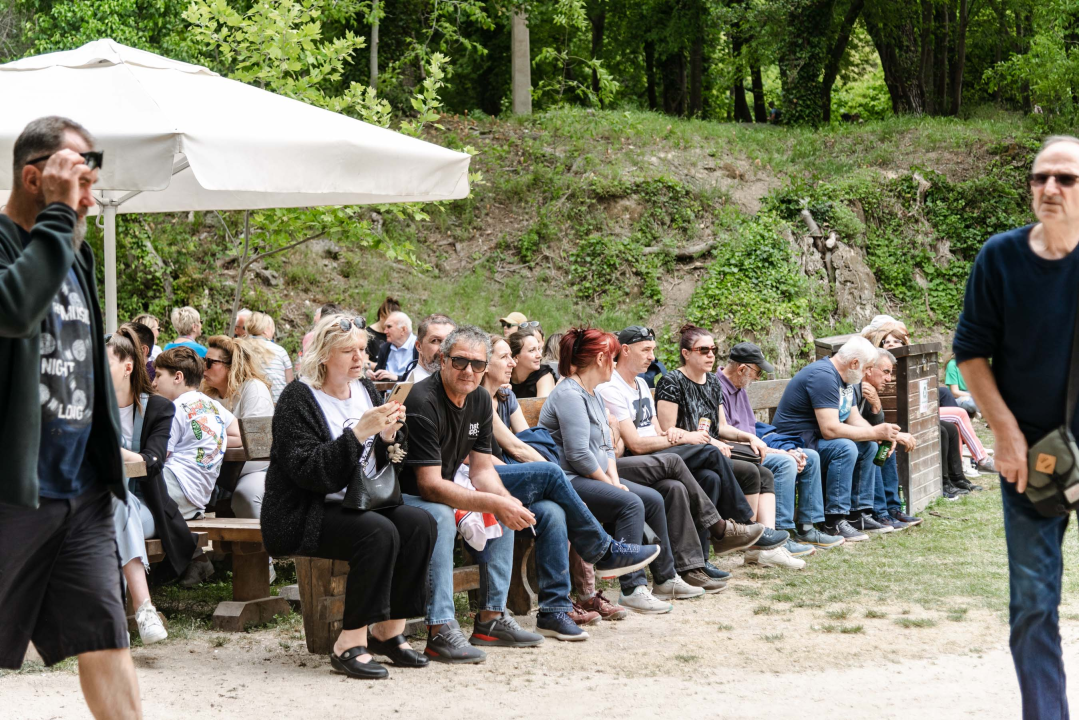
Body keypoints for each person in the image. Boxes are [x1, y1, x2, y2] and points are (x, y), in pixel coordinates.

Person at [0, 116, 141, 718]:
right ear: (35, 178)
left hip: (79, 492)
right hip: (10, 493)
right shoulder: (26, 240)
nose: (88, 199)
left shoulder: (72, 251)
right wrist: (57, 220)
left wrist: (108, 458)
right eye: (76, 183)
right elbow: (12, 309)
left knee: (105, 636)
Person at [402, 325, 660, 648]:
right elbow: (429, 485)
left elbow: (483, 470)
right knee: (533, 484)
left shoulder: (480, 398)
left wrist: (502, 500)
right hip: (413, 495)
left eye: (477, 364)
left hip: (462, 482)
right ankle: (602, 550)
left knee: (546, 510)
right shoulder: (423, 399)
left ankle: (511, 617)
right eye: (459, 362)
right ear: (442, 360)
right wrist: (498, 502)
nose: (469, 371)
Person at [953, 135, 1079, 720]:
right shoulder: (1000, 258)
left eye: (1066, 178)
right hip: (1029, 455)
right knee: (1032, 602)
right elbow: (972, 352)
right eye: (1040, 177)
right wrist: (1004, 433)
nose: (1050, 188)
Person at [261, 314, 434, 679]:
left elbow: (390, 460)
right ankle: (349, 644)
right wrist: (357, 435)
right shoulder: (298, 398)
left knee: (420, 523)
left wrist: (389, 438)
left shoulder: (365, 390)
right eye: (348, 351)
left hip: (360, 500)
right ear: (324, 355)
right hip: (306, 510)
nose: (360, 358)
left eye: (362, 349)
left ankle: (388, 633)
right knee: (378, 533)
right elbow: (308, 472)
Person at [541, 327, 720, 612]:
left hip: (594, 474)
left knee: (654, 498)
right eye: (612, 358)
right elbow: (577, 456)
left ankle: (665, 578)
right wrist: (609, 483)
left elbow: (605, 448)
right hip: (570, 479)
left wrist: (612, 477)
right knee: (631, 502)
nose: (615, 364)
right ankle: (632, 586)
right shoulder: (570, 395)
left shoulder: (593, 395)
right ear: (600, 359)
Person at [598, 327, 785, 571]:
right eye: (646, 350)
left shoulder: (642, 385)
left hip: (659, 452)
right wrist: (681, 438)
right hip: (640, 459)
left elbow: (657, 430)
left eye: (652, 350)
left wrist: (672, 434)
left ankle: (699, 562)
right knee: (710, 452)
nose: (652, 357)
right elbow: (636, 444)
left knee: (710, 477)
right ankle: (742, 524)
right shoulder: (612, 387)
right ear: (624, 350)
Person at [655, 325, 794, 556]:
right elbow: (670, 431)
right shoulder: (672, 382)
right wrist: (710, 442)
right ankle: (746, 529)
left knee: (764, 473)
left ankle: (758, 540)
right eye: (703, 350)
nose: (710, 355)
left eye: (713, 349)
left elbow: (723, 427)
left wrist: (749, 436)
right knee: (750, 472)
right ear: (686, 353)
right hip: (686, 454)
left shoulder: (712, 383)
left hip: (710, 453)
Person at [718, 342, 845, 552]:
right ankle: (780, 533)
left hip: (752, 449)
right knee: (785, 463)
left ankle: (806, 527)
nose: (758, 378)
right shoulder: (717, 388)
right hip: (734, 452)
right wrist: (780, 453)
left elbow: (753, 433)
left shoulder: (739, 387)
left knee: (809, 456)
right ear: (742, 369)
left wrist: (785, 449)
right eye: (757, 372)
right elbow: (729, 436)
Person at [771, 335, 899, 541]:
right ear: (854, 363)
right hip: (795, 440)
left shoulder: (847, 378)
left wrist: (878, 437)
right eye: (867, 368)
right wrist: (875, 432)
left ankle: (858, 514)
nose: (867, 373)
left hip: (815, 438)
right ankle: (834, 520)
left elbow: (853, 417)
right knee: (845, 447)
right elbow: (830, 429)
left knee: (869, 447)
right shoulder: (823, 376)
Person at [106, 329, 172, 645]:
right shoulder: (87, 409)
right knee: (114, 507)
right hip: (91, 507)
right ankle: (141, 610)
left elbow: (152, 462)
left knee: (120, 506)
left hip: (145, 506)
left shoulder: (157, 408)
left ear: (128, 367)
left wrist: (105, 449)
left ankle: (123, 616)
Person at [872, 322, 995, 475]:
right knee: (959, 413)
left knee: (953, 418)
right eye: (887, 342)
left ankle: (961, 469)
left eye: (896, 341)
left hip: (917, 411)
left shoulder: (908, 364)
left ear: (904, 343)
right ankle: (979, 460)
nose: (891, 344)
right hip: (907, 415)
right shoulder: (885, 367)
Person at [153, 347, 240, 523]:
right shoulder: (212, 405)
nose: (154, 383)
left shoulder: (173, 409)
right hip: (198, 496)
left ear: (178, 377)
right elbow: (238, 434)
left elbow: (159, 457)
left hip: (175, 488)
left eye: (158, 375)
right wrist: (213, 441)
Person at [202, 335, 275, 518]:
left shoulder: (254, 389)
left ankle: (262, 545)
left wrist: (213, 441)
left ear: (231, 365)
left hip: (254, 468)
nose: (204, 366)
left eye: (210, 362)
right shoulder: (207, 394)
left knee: (247, 496)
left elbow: (257, 442)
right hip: (215, 469)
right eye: (204, 360)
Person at [857, 348, 921, 529]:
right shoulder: (854, 386)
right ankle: (879, 512)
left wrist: (876, 405)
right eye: (885, 372)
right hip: (837, 441)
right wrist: (894, 435)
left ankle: (892, 508)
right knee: (875, 446)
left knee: (886, 446)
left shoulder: (869, 390)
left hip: (857, 438)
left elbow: (875, 425)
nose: (889, 379)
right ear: (869, 369)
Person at [246, 311, 293, 403]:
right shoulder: (280, 351)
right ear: (266, 330)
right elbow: (290, 383)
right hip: (278, 403)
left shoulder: (242, 348)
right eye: (272, 328)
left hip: (251, 401)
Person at [405, 313, 455, 383]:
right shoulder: (417, 386)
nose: (444, 348)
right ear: (419, 346)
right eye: (435, 340)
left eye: (449, 341)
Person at [509, 328, 556, 399]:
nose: (539, 355)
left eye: (538, 349)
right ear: (516, 357)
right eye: (532, 350)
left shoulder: (544, 374)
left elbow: (542, 407)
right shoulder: (505, 375)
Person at [372, 311, 417, 382]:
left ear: (403, 329)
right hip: (386, 392)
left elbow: (422, 378)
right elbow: (378, 374)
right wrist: (374, 375)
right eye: (385, 327)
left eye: (389, 327)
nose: (385, 331)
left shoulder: (419, 347)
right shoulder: (385, 348)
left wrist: (396, 378)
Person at [365, 296, 400, 364]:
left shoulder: (395, 335)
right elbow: (364, 362)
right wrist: (381, 368)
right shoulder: (368, 334)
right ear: (381, 316)